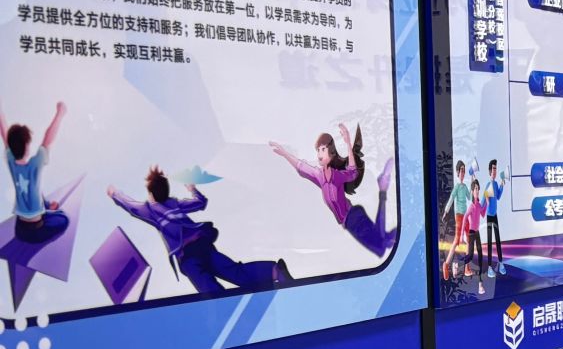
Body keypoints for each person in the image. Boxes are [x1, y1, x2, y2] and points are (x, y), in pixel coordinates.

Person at [108, 167, 288, 295]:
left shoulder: (153, 209)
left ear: (151, 194)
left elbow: (131, 206)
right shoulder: (173, 204)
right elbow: (200, 203)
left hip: (191, 254)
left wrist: (115, 194)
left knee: (212, 282)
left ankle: (272, 272)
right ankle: (272, 271)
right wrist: (193, 190)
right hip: (198, 248)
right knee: (228, 272)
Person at [272, 121, 398, 259]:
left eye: (323, 149)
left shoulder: (336, 176)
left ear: (331, 153)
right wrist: (284, 153)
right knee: (383, 242)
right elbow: (301, 167)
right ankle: (385, 193)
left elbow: (353, 172)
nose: (319, 154)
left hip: (352, 219)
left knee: (380, 248)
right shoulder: (319, 175)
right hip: (351, 219)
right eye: (318, 150)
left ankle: (383, 189)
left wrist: (348, 142)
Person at [7, 99, 69, 243]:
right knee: (64, 219)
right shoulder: (35, 163)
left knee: (35, 190)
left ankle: (47, 207)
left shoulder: (11, 161)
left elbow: (4, 134)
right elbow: (47, 140)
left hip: (19, 228)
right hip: (35, 231)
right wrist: (60, 113)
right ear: (27, 147)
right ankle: (47, 212)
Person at [443, 158, 469, 279]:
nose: (463, 173)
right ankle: (446, 264)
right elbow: (451, 199)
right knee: (457, 240)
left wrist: (473, 181)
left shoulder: (465, 187)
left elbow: (470, 198)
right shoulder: (457, 187)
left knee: (469, 240)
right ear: (458, 172)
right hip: (459, 215)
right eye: (461, 170)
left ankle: (467, 267)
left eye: (464, 171)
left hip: (466, 215)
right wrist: (446, 211)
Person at [484, 158, 506, 273]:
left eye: (495, 169)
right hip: (489, 216)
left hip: (495, 215)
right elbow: (483, 200)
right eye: (493, 169)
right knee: (489, 241)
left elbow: (498, 197)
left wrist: (502, 185)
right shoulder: (488, 184)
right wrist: (486, 196)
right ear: (489, 171)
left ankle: (501, 263)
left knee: (497, 239)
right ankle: (489, 267)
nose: (494, 171)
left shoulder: (496, 183)